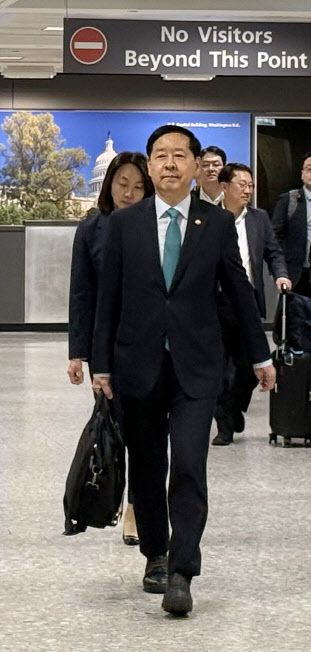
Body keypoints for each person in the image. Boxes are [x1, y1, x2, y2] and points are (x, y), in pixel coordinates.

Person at [91, 125, 275, 616]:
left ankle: (182, 570)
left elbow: (240, 292)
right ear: (150, 166)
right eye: (160, 155)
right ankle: (156, 553)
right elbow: (108, 299)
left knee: (190, 465)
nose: (169, 163)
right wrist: (100, 365)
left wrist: (261, 356)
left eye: (179, 155)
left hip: (197, 366)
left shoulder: (216, 224)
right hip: (137, 364)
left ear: (197, 167)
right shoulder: (125, 224)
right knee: (148, 466)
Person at [67, 151, 154, 545]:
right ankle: (113, 499)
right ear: (109, 184)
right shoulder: (91, 228)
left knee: (147, 433)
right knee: (115, 428)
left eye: (138, 186)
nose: (129, 193)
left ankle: (137, 507)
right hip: (108, 348)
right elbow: (81, 293)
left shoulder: (155, 226)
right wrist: (78, 353)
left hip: (149, 342)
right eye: (122, 184)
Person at [212, 162, 291, 446]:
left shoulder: (259, 219)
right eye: (241, 184)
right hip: (215, 301)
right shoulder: (209, 218)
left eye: (251, 185)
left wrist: (281, 274)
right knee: (220, 366)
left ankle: (234, 407)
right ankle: (224, 424)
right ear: (224, 187)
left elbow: (273, 252)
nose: (247, 190)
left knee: (248, 365)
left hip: (247, 300)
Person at [271, 151, 311, 297]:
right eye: (308, 169)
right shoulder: (289, 199)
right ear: (302, 174)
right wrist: (280, 270)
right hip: (296, 274)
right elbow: (274, 237)